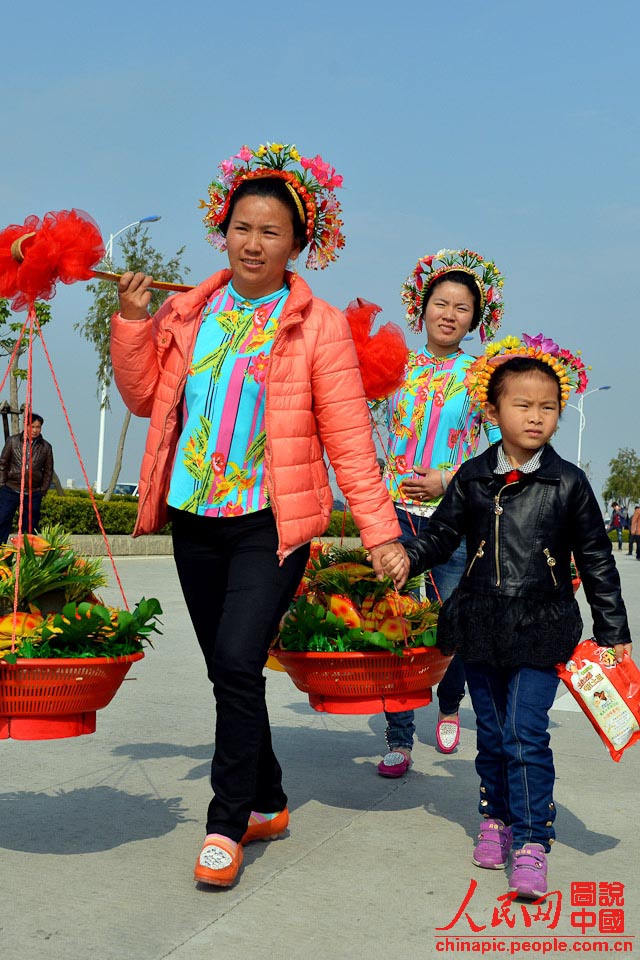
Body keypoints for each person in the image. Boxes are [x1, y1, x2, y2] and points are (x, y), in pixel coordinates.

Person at [110, 141, 404, 889]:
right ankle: (269, 796)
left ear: (298, 244)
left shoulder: (318, 326)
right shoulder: (189, 309)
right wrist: (133, 324)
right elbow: (147, 400)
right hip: (193, 516)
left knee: (239, 661)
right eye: (243, 226)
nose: (253, 242)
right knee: (227, 670)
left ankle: (226, 820)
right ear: (223, 231)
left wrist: (382, 535)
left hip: (269, 524)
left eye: (271, 231)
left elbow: (347, 440)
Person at [379, 332, 631, 899]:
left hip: (543, 625)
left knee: (525, 730)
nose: (535, 417)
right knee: (491, 732)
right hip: (481, 623)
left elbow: (596, 561)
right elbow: (441, 535)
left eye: (548, 407)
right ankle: (493, 818)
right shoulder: (473, 475)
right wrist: (405, 556)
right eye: (522, 405)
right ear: (493, 411)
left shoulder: (569, 482)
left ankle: (533, 839)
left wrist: (613, 632)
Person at [376, 249, 504, 777]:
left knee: (452, 620)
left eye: (462, 307)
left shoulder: (483, 376)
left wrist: (448, 479)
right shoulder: (392, 365)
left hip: (455, 519)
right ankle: (399, 736)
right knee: (396, 621)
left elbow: (500, 451)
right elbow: (353, 420)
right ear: (421, 307)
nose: (450, 314)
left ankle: (449, 706)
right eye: (441, 303)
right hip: (395, 516)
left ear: (476, 319)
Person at [0, 413, 53, 544]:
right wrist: (2, 485)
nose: (35, 430)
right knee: (3, 520)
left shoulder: (46, 447)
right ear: (26, 426)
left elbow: (48, 471)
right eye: (32, 426)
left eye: (38, 427)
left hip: (33, 492)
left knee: (30, 526)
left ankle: (26, 555)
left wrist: (43, 490)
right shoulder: (12, 441)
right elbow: (3, 464)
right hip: (10, 489)